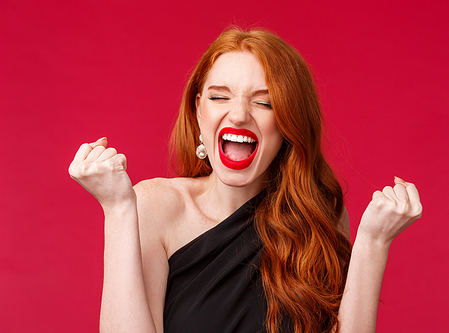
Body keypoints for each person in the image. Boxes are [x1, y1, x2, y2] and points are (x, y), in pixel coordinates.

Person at [69, 28, 422, 333]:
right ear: (198, 110)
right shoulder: (155, 206)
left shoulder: (320, 216)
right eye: (219, 96)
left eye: (264, 103)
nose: (237, 114)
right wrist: (116, 209)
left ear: (288, 124)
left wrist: (373, 243)